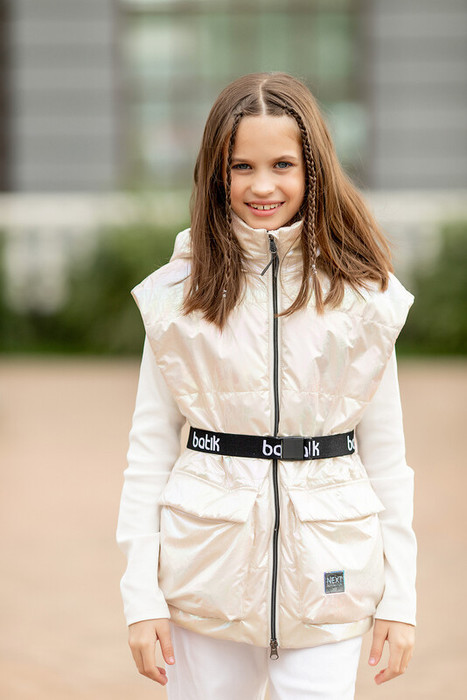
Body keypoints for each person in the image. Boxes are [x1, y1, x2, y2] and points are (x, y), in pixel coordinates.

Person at [116, 72, 416, 699]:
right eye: (241, 166)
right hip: (205, 573)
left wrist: (400, 599)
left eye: (282, 164)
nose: (261, 185)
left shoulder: (364, 296)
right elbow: (149, 451)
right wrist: (141, 597)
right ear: (216, 174)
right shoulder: (177, 297)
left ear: (314, 170)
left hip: (330, 571)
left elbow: (387, 456)